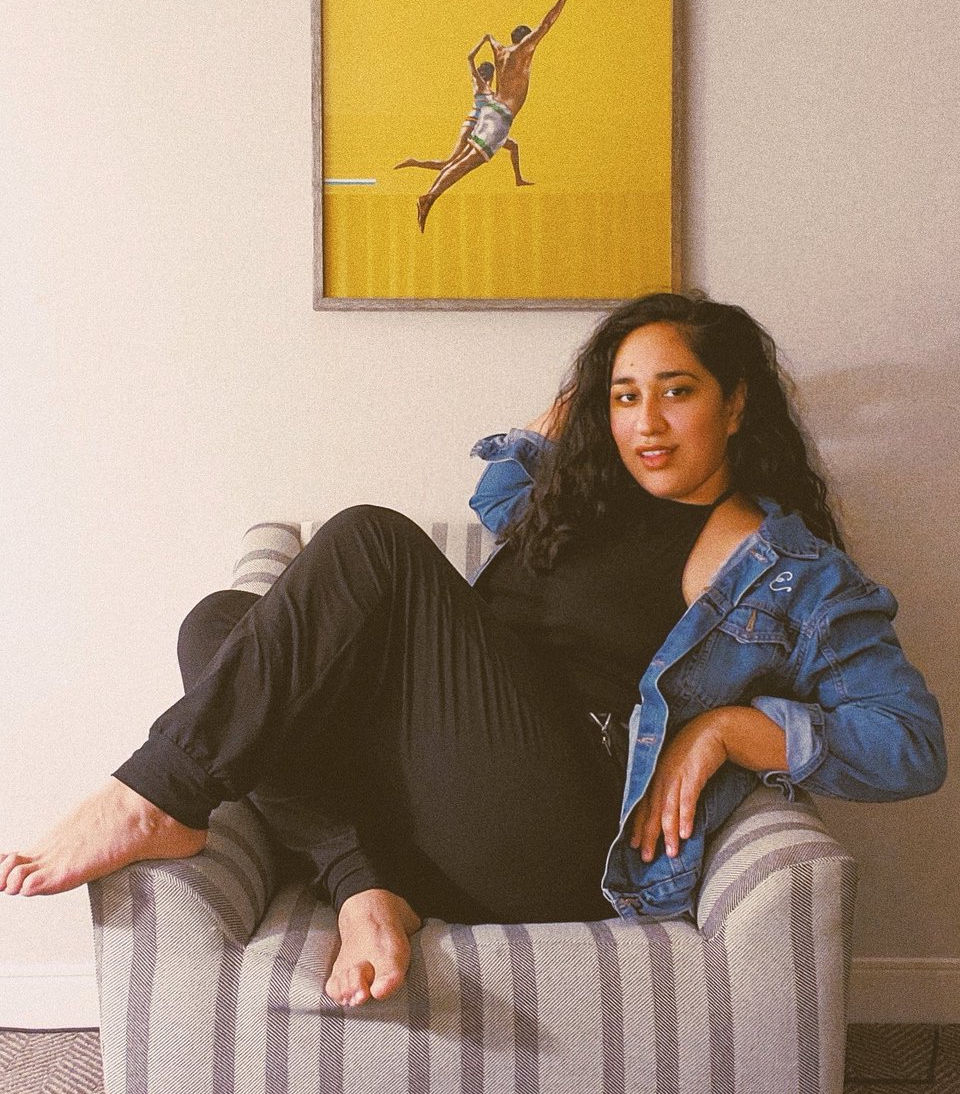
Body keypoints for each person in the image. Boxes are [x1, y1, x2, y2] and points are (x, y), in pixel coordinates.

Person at [0, 293, 946, 1014]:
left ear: (736, 405)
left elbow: (909, 741)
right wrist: (583, 408)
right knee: (219, 622)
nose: (647, 423)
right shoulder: (581, 498)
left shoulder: (782, 567)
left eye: (678, 391)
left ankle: (154, 794)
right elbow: (504, 488)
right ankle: (364, 884)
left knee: (372, 538)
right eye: (625, 396)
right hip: (443, 796)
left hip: (552, 830)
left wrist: (730, 730)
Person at [415, 0, 578, 230]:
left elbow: (491, 39)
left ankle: (429, 196)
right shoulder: (522, 50)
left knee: (463, 159)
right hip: (500, 117)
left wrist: (488, 39)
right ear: (525, 40)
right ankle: (430, 197)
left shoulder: (500, 51)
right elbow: (546, 23)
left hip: (491, 112)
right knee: (468, 163)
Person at [394, 44, 533, 187]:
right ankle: (415, 162)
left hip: (486, 130)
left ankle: (518, 179)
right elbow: (470, 58)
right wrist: (483, 42)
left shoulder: (492, 90)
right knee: (449, 163)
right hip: (473, 125)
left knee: (513, 146)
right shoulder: (479, 84)